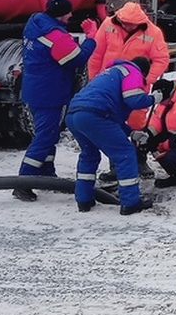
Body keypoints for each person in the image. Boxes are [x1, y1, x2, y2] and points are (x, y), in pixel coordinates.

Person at [12, 0, 97, 202]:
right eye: (68, 13)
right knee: (46, 137)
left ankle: (46, 173)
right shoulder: (54, 35)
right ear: (59, 14)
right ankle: (23, 183)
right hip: (51, 92)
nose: (70, 16)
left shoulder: (36, 24)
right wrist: (91, 38)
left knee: (46, 133)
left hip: (35, 89)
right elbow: (75, 59)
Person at [65, 56, 164, 215]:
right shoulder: (132, 71)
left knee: (89, 155)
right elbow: (133, 99)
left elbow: (112, 118)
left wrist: (131, 132)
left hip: (74, 114)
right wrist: (153, 98)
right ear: (144, 71)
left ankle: (84, 200)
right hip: (94, 114)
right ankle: (131, 203)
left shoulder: (109, 73)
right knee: (124, 153)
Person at [87, 0, 170, 180]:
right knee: (114, 125)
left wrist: (146, 80)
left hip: (135, 88)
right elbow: (96, 54)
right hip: (110, 86)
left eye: (130, 23)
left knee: (138, 123)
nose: (126, 25)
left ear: (140, 21)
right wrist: (94, 80)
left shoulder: (153, 32)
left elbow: (161, 59)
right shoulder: (108, 25)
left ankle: (140, 160)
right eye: (124, 22)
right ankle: (116, 166)